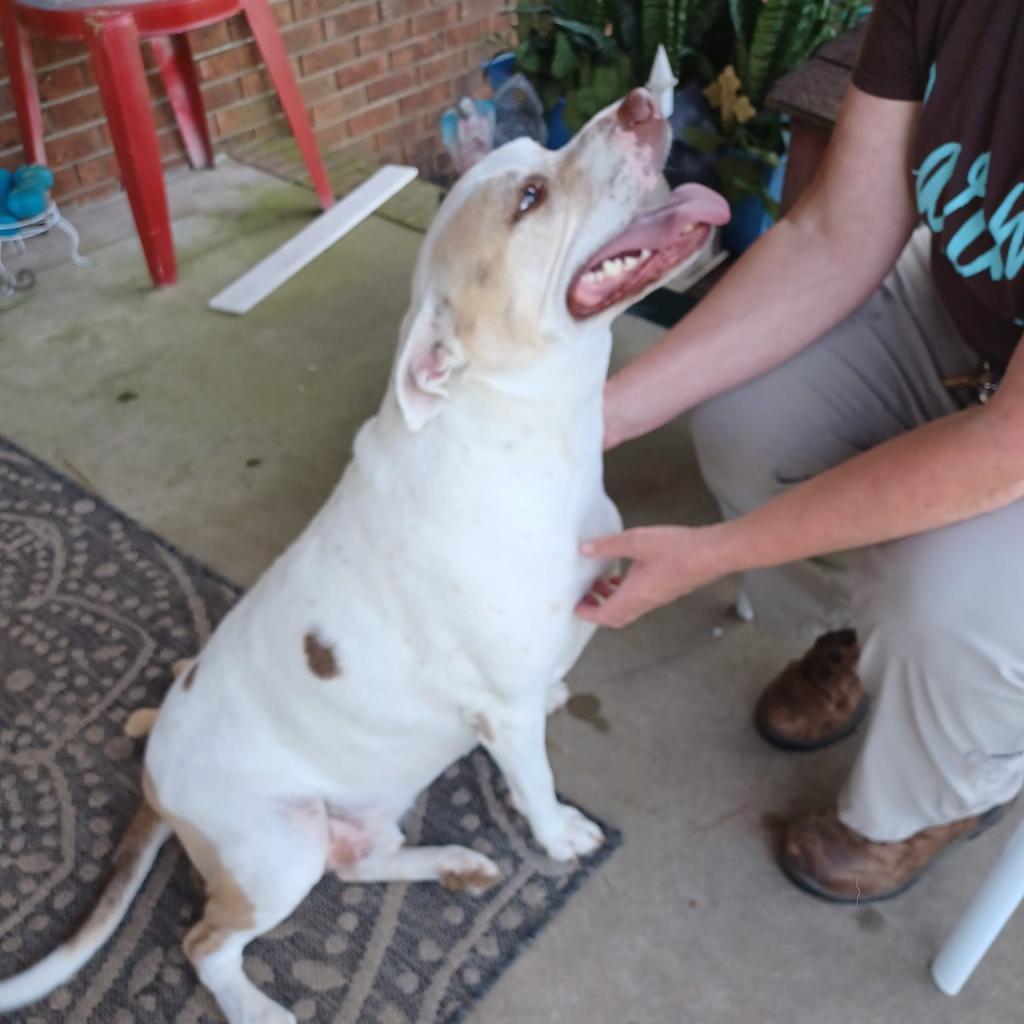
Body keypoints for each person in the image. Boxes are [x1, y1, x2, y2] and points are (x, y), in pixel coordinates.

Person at [576, 0, 1024, 903]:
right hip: (981, 327)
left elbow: (1006, 447)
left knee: (936, 588)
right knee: (748, 415)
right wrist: (597, 417)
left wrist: (711, 557)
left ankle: (939, 791)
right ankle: (857, 636)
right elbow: (835, 235)